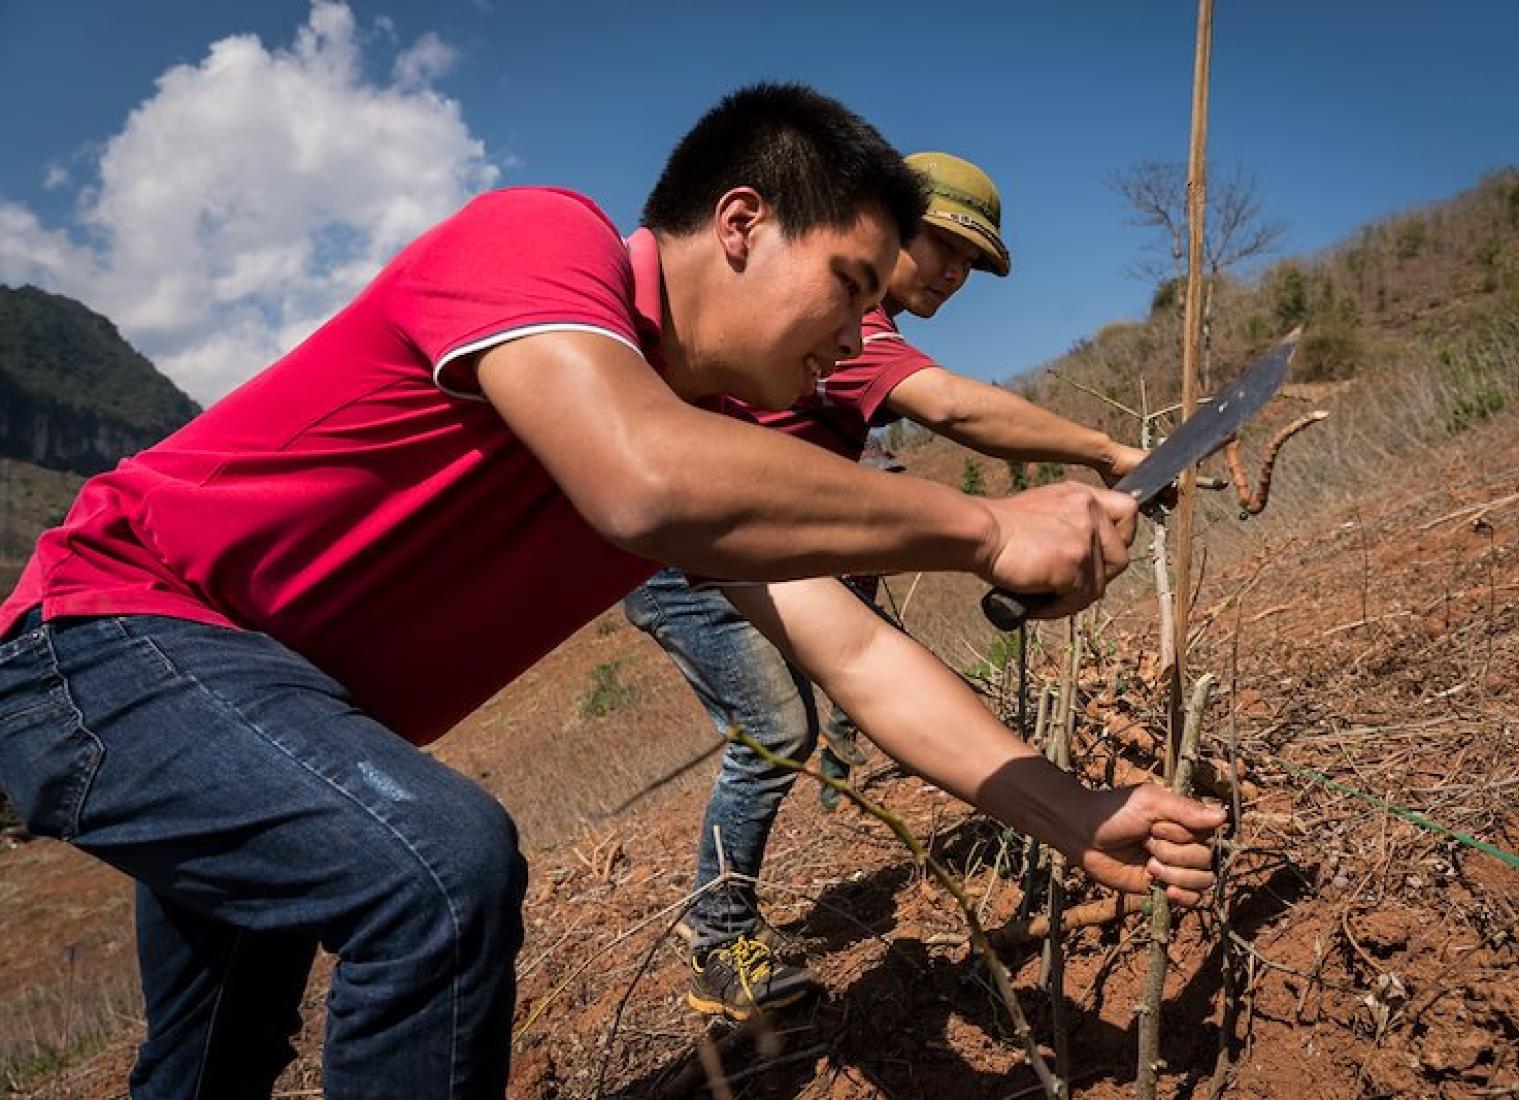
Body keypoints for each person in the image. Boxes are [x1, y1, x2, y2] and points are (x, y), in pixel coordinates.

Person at [0, 85, 1218, 1099]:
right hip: (103, 633)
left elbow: (858, 658)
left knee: (216, 1056)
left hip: (274, 716)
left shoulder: (722, 433)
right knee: (437, 871)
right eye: (851, 285)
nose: (860, 339)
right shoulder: (539, 244)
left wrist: (1068, 808)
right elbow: (640, 479)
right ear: (740, 222)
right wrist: (985, 525)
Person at [624, 152, 1175, 1020]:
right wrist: (1103, 454)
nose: (954, 275)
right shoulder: (848, 323)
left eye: (973, 265)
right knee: (775, 726)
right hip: (695, 551)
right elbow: (953, 406)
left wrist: (1068, 815)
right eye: (941, 246)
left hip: (766, 548)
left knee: (857, 675)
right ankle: (718, 932)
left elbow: (866, 645)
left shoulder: (848, 329)